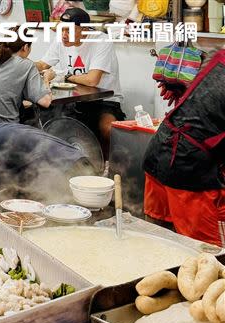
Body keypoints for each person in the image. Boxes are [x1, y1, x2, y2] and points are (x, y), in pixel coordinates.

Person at [0, 28, 94, 203]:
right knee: (40, 136)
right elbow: (45, 101)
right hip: (0, 134)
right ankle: (35, 191)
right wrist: (47, 78)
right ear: (26, 48)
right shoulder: (25, 65)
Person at [142, 49, 225, 247]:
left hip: (162, 150)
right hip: (189, 169)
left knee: (159, 245)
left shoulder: (219, 56)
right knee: (205, 257)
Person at [35, 8, 124, 160]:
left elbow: (92, 80)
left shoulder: (100, 41)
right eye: (61, 30)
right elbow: (42, 65)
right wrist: (16, 65)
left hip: (105, 101)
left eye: (68, 31)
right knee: (46, 119)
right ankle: (59, 166)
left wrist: (66, 75)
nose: (63, 35)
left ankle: (109, 168)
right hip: (75, 100)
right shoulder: (60, 41)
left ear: (84, 29)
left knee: (107, 128)